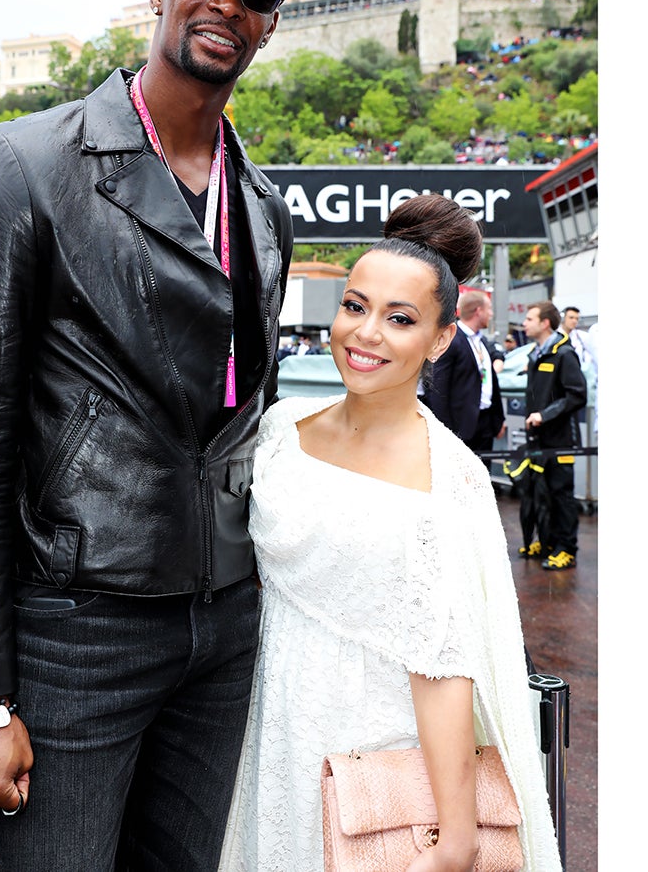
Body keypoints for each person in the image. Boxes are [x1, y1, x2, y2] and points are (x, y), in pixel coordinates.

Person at [0, 0, 298, 872]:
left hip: (225, 620)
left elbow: (245, 421)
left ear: (271, 21)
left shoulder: (263, 205)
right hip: (77, 627)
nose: (228, 1)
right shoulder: (23, 165)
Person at [218, 195, 561, 872]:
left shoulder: (447, 480)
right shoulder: (281, 430)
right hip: (270, 738)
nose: (366, 333)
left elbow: (445, 665)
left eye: (400, 318)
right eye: (355, 306)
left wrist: (456, 838)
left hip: (377, 765)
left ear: (440, 338)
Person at [516, 301, 587, 570]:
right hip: (539, 439)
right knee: (541, 492)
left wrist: (544, 415)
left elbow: (577, 395)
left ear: (545, 323)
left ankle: (566, 548)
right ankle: (546, 542)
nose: (524, 323)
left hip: (560, 440)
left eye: (529, 319)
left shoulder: (564, 354)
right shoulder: (536, 354)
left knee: (561, 495)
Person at [421, 289, 505, 461]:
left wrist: (497, 420)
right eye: (489, 309)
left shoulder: (480, 340)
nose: (491, 314)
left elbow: (488, 378)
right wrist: (445, 430)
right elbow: (437, 388)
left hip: (484, 423)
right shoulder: (451, 340)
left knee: (484, 473)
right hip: (460, 427)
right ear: (478, 311)